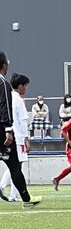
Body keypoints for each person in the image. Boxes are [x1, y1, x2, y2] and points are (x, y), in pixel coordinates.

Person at [0, 53, 40, 208]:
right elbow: (6, 109)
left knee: (13, 165)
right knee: (14, 165)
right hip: (4, 132)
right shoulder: (4, 84)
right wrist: (8, 129)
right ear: (4, 65)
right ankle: (26, 198)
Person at [0, 73, 31, 202]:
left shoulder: (7, 95)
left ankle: (12, 193)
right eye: (25, 86)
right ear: (20, 86)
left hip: (8, 133)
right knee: (16, 167)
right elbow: (23, 121)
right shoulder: (18, 99)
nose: (26, 89)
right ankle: (7, 190)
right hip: (17, 136)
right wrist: (26, 138)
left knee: (13, 166)